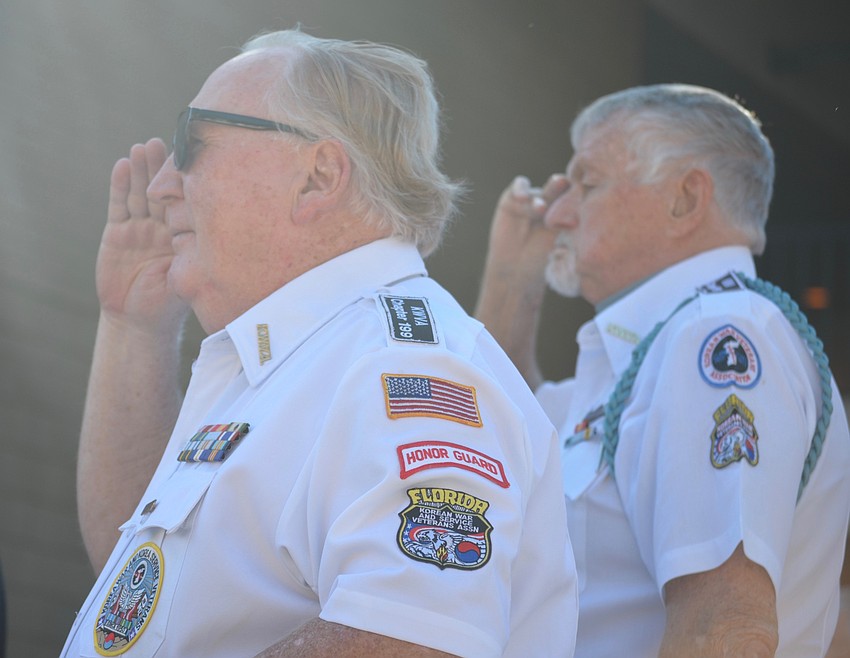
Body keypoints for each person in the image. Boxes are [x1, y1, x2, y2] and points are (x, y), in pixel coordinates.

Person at [60, 29, 578, 658]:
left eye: (191, 143)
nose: (164, 184)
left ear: (319, 176)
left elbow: (409, 639)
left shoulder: (403, 364)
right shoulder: (293, 357)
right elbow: (144, 579)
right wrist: (134, 327)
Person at [475, 83, 850, 656]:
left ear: (685, 199)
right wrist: (512, 274)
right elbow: (501, 427)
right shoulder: (656, 346)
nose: (558, 212)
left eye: (587, 183)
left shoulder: (715, 340)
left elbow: (721, 629)